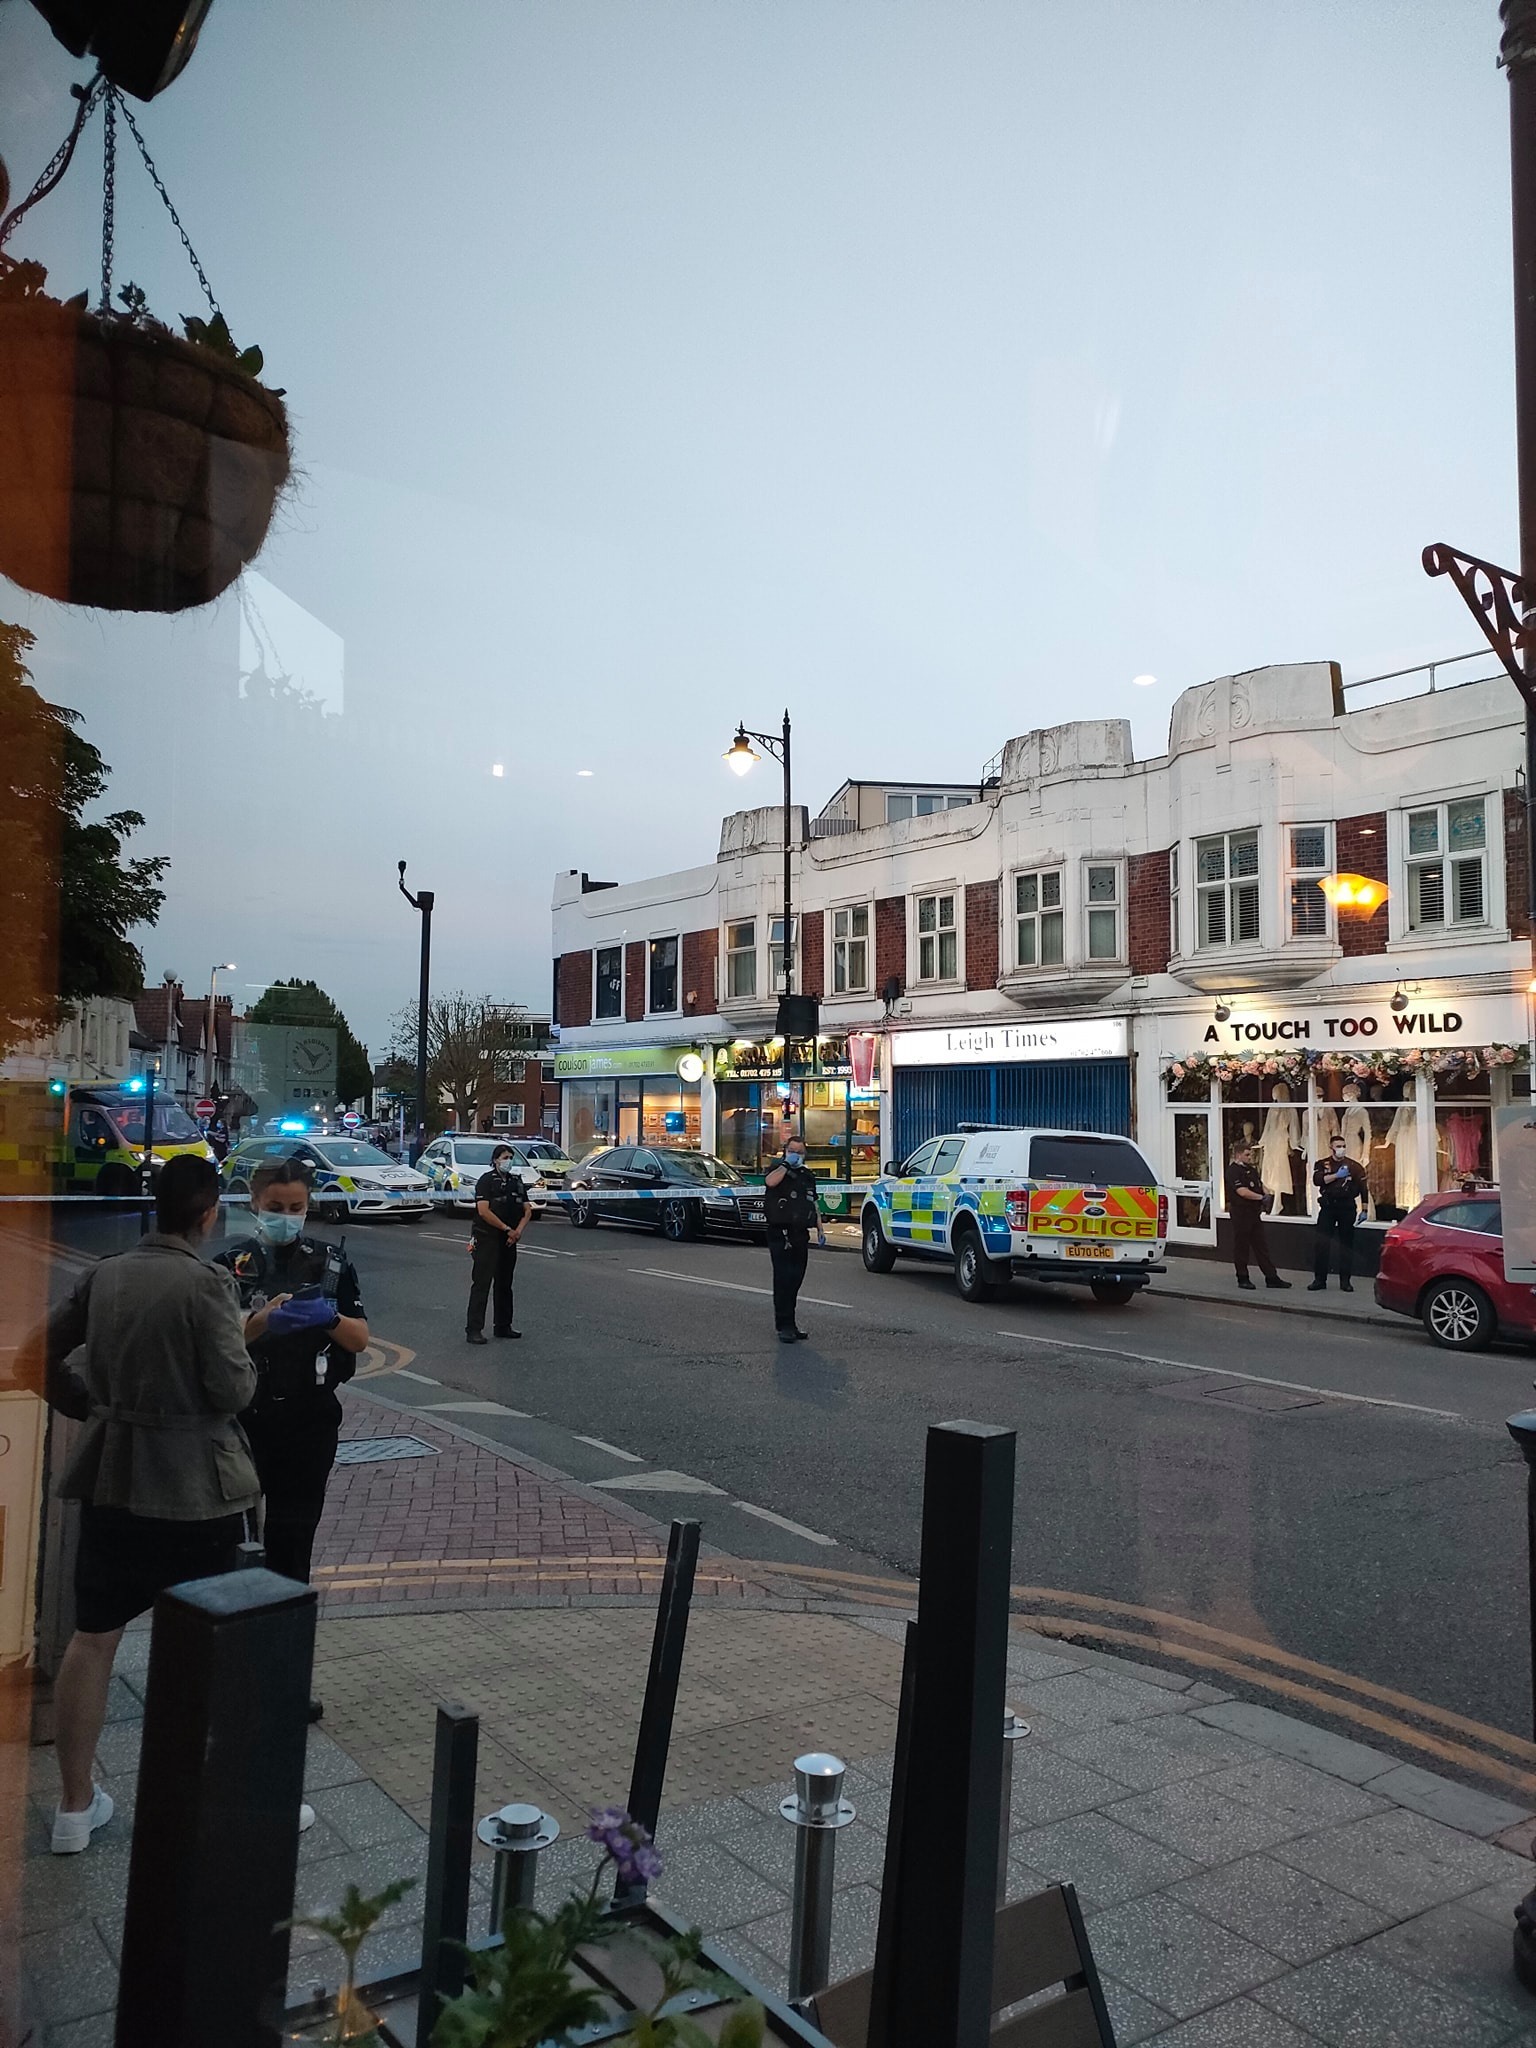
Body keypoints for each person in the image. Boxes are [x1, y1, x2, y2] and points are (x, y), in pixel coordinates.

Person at [40, 1154, 261, 1854]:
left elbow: (33, 1355)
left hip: (112, 1478)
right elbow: (232, 1391)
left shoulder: (103, 1275)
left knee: (93, 1638)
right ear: (206, 1215)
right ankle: (217, 1798)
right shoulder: (207, 1285)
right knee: (209, 1647)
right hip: (196, 1488)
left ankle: (73, 1807)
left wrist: (91, 1405)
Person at [215, 1155, 368, 1724]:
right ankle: (234, 1673)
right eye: (275, 1209)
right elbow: (211, 1342)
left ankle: (285, 1679)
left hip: (308, 1421)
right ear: (254, 1205)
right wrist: (259, 1324)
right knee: (236, 1548)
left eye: (296, 1209)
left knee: (293, 1549)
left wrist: (324, 1318)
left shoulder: (330, 1262)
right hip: (243, 1422)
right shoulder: (230, 1264)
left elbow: (359, 1335)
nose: (286, 1218)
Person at [763, 1134, 826, 1342]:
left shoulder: (807, 1176)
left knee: (796, 1279)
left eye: (799, 1152)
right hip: (780, 1234)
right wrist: (786, 1166)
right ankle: (784, 1326)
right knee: (783, 1280)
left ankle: (791, 1323)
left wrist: (821, 1229)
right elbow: (770, 1182)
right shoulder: (777, 1169)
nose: (796, 1155)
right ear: (785, 1150)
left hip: (800, 1234)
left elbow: (813, 1203)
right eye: (792, 1151)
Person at [467, 1141, 530, 1343]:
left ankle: (503, 1325)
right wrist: (506, 1228)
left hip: (509, 1240)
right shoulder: (486, 1181)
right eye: (505, 1158)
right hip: (487, 1237)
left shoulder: (516, 1182)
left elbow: (527, 1209)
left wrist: (517, 1231)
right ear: (495, 1161)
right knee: (482, 1283)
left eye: (511, 1158)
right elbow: (483, 1211)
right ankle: (474, 1329)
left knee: (505, 1284)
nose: (508, 1162)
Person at [1223, 1140, 1291, 1292]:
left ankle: (1271, 1277)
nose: (1250, 1157)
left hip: (1253, 1213)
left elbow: (1260, 1185)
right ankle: (1243, 1278)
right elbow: (1242, 1192)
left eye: (1251, 1154)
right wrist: (1260, 1198)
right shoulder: (1233, 1171)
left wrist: (1268, 1193)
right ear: (1238, 1155)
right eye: (1247, 1155)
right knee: (1242, 1247)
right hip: (1241, 1213)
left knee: (1261, 1246)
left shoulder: (1251, 1170)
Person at [1311, 1133, 1368, 1291]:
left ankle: (1345, 1281)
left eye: (1343, 1146)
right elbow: (1318, 1180)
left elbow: (1364, 1188)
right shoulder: (1322, 1164)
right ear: (1331, 1148)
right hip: (1328, 1207)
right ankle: (1319, 1280)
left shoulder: (1354, 1166)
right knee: (1322, 1244)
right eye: (1338, 1146)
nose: (1341, 1149)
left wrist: (1364, 1209)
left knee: (1346, 1245)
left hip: (1347, 1207)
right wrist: (1336, 1175)